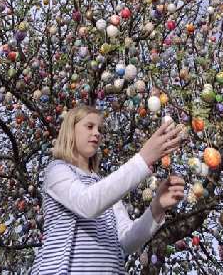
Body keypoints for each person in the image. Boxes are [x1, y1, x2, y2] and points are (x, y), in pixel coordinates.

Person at [30, 104, 185, 274]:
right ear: (70, 131)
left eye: (100, 129)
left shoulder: (103, 187)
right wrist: (143, 159)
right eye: (89, 126)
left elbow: (127, 241)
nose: (96, 133)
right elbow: (86, 204)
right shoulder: (58, 171)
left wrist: (157, 207)